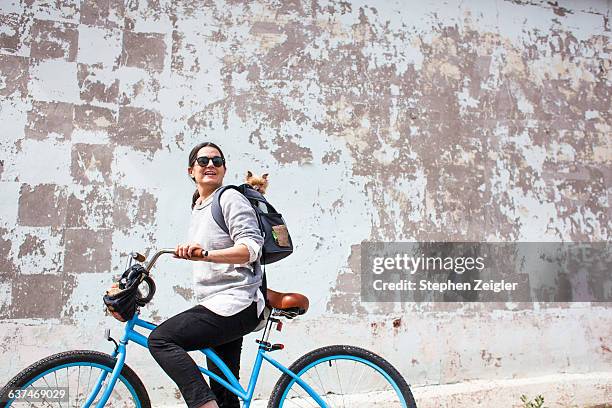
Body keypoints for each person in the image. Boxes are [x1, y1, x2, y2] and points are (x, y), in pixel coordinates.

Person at [148, 142, 264, 408]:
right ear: (191, 170)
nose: (210, 165)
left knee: (161, 339)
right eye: (203, 161)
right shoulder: (199, 205)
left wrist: (206, 254)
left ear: (224, 169)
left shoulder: (230, 198)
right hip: (216, 303)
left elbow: (251, 248)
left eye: (217, 161)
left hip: (236, 302)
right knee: (224, 390)